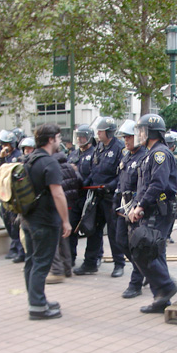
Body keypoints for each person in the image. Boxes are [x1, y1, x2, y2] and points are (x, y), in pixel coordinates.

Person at [128, 113, 177, 313]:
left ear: (151, 132)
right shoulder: (151, 153)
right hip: (153, 208)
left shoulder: (160, 154)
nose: (139, 134)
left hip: (158, 209)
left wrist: (140, 205)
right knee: (155, 252)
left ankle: (166, 287)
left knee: (145, 249)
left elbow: (157, 184)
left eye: (142, 130)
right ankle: (161, 298)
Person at [21, 124, 72, 320]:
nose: (59, 141)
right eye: (58, 137)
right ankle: (37, 307)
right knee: (42, 263)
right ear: (51, 139)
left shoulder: (30, 159)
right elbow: (58, 194)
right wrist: (66, 221)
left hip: (28, 219)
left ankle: (36, 299)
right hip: (44, 222)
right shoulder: (49, 163)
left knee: (31, 261)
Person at [74, 117, 125, 278]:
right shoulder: (99, 147)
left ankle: (119, 264)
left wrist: (110, 186)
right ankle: (90, 262)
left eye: (100, 131)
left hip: (111, 197)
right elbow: (94, 171)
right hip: (96, 196)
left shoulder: (119, 148)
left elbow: (122, 174)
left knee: (113, 232)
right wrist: (82, 184)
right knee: (93, 230)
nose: (98, 133)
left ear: (108, 132)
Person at [115, 120, 148, 298]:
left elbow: (145, 185)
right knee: (121, 241)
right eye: (125, 137)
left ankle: (136, 282)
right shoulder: (126, 156)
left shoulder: (145, 156)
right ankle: (146, 270)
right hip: (123, 206)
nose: (126, 140)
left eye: (129, 136)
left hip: (137, 208)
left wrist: (137, 206)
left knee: (137, 246)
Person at [46, 149, 82, 284]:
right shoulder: (69, 166)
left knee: (54, 239)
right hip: (70, 205)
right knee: (64, 239)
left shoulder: (52, 167)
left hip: (56, 206)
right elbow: (80, 181)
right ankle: (67, 268)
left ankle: (57, 269)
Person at [0, 130, 25, 263]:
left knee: (15, 220)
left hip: (14, 194)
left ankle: (18, 248)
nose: (4, 146)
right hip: (4, 194)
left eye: (6, 144)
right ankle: (14, 244)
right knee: (4, 216)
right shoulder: (2, 157)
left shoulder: (18, 156)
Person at [68, 124, 97, 265]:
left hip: (88, 195)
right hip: (74, 197)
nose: (80, 139)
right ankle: (70, 258)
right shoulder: (73, 154)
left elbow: (94, 174)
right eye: (78, 137)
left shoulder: (94, 153)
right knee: (71, 227)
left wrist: (82, 182)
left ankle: (93, 258)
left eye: (83, 136)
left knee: (90, 228)